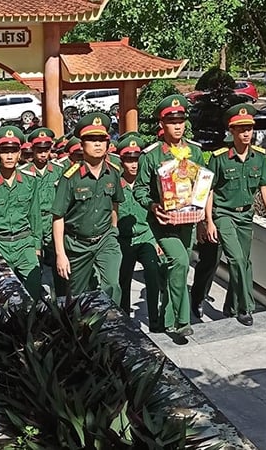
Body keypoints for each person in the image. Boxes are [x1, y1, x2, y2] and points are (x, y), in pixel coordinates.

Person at [192, 103, 266, 326]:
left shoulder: (258, 157)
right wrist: (208, 220)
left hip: (245, 216)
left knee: (244, 263)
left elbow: (265, 186)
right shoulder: (220, 158)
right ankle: (245, 308)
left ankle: (231, 307)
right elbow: (208, 190)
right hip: (223, 214)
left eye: (249, 128)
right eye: (241, 129)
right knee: (236, 260)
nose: (246, 133)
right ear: (231, 131)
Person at [134, 94, 206, 338]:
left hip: (188, 221)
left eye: (181, 121)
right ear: (162, 125)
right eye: (172, 122)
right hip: (163, 222)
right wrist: (153, 206)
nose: (178, 126)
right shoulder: (151, 155)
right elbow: (139, 189)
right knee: (181, 261)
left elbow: (203, 185)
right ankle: (181, 320)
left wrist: (204, 215)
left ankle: (164, 318)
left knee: (176, 269)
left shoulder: (194, 152)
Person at [51, 112, 124, 303]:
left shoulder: (113, 173)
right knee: (77, 297)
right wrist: (60, 254)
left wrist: (113, 230)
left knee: (112, 285)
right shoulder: (70, 177)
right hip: (77, 244)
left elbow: (115, 203)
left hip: (105, 239)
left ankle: (112, 326)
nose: (98, 144)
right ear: (82, 145)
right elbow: (58, 217)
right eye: (91, 140)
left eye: (102, 139)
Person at [0, 126, 43, 299]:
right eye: (5, 151)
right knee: (0, 296)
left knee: (34, 291)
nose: (10, 156)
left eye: (14, 151)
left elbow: (35, 215)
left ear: (20, 154)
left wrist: (37, 246)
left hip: (24, 243)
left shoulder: (29, 181)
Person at [115, 132, 165, 331]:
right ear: (122, 161)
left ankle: (154, 320)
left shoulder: (150, 185)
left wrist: (158, 239)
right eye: (128, 159)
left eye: (136, 159)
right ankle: (124, 318)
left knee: (153, 275)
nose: (133, 164)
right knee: (123, 280)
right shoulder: (115, 184)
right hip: (124, 240)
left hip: (147, 237)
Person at [23, 126, 64, 299]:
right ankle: (36, 298)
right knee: (34, 263)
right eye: (39, 149)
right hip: (33, 222)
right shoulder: (23, 172)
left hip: (53, 220)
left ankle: (62, 297)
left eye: (46, 149)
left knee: (58, 260)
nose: (42, 153)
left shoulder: (58, 170)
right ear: (33, 150)